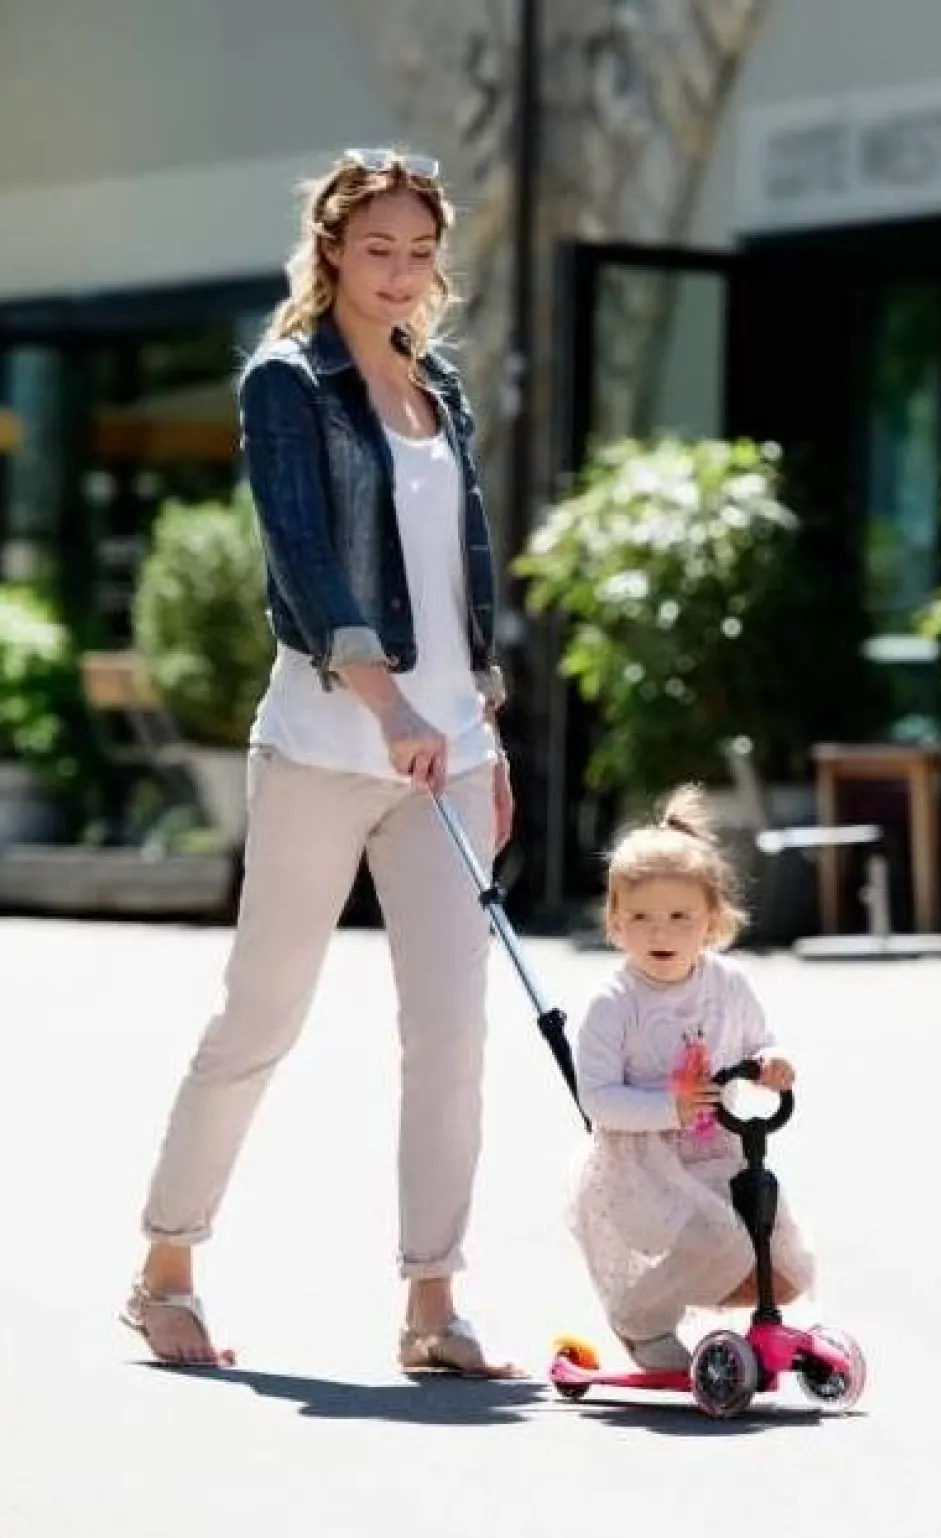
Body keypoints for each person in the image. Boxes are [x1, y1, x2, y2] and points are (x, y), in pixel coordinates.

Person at [121, 147, 520, 1378]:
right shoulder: (286, 381)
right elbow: (301, 553)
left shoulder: (437, 384)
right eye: (377, 249)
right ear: (333, 250)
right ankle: (164, 1266)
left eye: (419, 253)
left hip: (449, 758)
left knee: (451, 1036)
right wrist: (387, 702)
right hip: (322, 746)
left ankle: (432, 1301)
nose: (399, 273)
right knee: (262, 1014)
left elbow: (459, 570)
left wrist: (481, 723)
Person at [570, 784, 816, 1371]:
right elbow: (596, 1098)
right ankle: (640, 1317)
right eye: (641, 918)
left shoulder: (727, 984)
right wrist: (669, 1106)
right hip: (641, 1168)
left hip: (720, 1153)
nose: (660, 933)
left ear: (711, 922)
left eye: (680, 917)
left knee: (783, 1267)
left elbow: (760, 1041)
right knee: (721, 1241)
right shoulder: (615, 1002)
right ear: (616, 923)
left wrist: (773, 1062)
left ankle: (692, 1305)